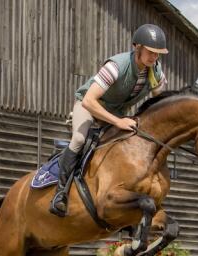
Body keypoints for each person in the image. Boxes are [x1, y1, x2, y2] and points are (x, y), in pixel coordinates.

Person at [49, 24, 169, 217]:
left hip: (116, 113)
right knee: (79, 140)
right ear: (137, 47)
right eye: (151, 52)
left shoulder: (155, 71)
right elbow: (89, 100)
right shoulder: (116, 66)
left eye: (158, 54)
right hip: (88, 106)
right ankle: (60, 194)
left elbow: (159, 101)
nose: (154, 57)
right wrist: (118, 122)